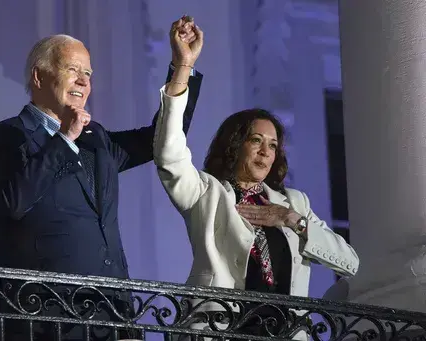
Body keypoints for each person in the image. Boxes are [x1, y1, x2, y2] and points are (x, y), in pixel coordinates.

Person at [0, 17, 203, 341]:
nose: (83, 80)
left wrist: (182, 67)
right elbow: (14, 201)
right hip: (50, 318)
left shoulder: (97, 140)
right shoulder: (9, 135)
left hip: (114, 315)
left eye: (88, 73)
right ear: (39, 76)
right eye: (72, 69)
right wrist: (64, 139)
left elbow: (160, 138)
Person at [153, 67, 359, 339]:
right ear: (235, 145)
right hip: (223, 331)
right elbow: (170, 157)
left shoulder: (294, 203)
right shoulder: (207, 193)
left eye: (273, 145)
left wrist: (292, 219)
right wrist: (182, 69)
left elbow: (350, 264)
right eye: (256, 140)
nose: (266, 151)